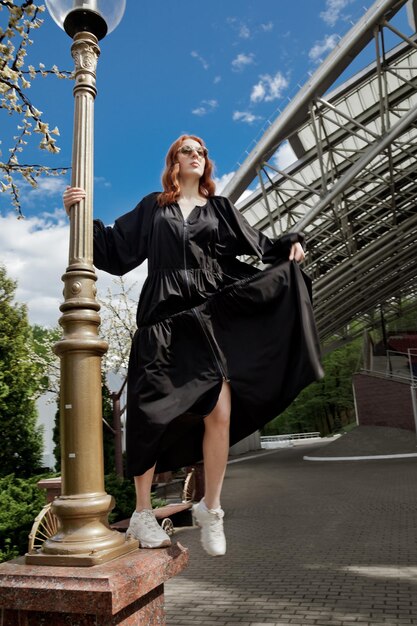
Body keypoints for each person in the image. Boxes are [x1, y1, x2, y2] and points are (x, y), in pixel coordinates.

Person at [63, 134, 323, 557]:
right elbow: (116, 251)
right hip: (161, 318)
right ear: (174, 162)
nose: (196, 156)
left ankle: (211, 508)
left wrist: (292, 240)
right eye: (188, 151)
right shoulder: (154, 206)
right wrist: (80, 213)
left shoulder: (219, 209)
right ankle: (144, 513)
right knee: (148, 415)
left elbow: (259, 245)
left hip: (205, 316)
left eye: (202, 152)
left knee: (219, 411)